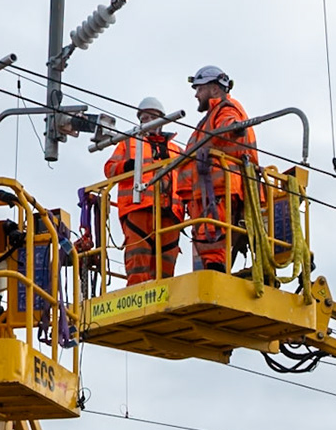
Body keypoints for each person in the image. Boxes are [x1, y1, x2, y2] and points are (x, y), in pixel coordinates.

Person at [176, 65, 255, 272]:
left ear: (214, 89)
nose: (196, 94)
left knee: (212, 235)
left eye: (199, 89)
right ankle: (214, 268)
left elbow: (230, 126)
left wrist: (233, 128)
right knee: (208, 236)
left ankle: (215, 269)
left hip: (216, 189)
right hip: (207, 191)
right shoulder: (209, 118)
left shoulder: (226, 109)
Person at [106, 97, 181, 285]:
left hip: (170, 213)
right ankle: (137, 295)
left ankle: (164, 296)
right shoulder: (128, 143)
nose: (147, 121)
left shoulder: (176, 150)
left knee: (166, 266)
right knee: (138, 258)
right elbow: (109, 169)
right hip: (138, 209)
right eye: (144, 118)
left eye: (151, 117)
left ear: (162, 120)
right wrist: (126, 166)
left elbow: (188, 179)